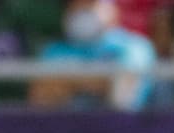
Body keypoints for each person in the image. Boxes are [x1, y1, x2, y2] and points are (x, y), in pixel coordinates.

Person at [28, 0, 157, 111]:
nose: (83, 8)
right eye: (76, 3)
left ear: (112, 8)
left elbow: (124, 96)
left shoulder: (136, 46)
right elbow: (41, 101)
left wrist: (70, 81)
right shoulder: (53, 51)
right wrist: (99, 82)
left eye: (90, 2)